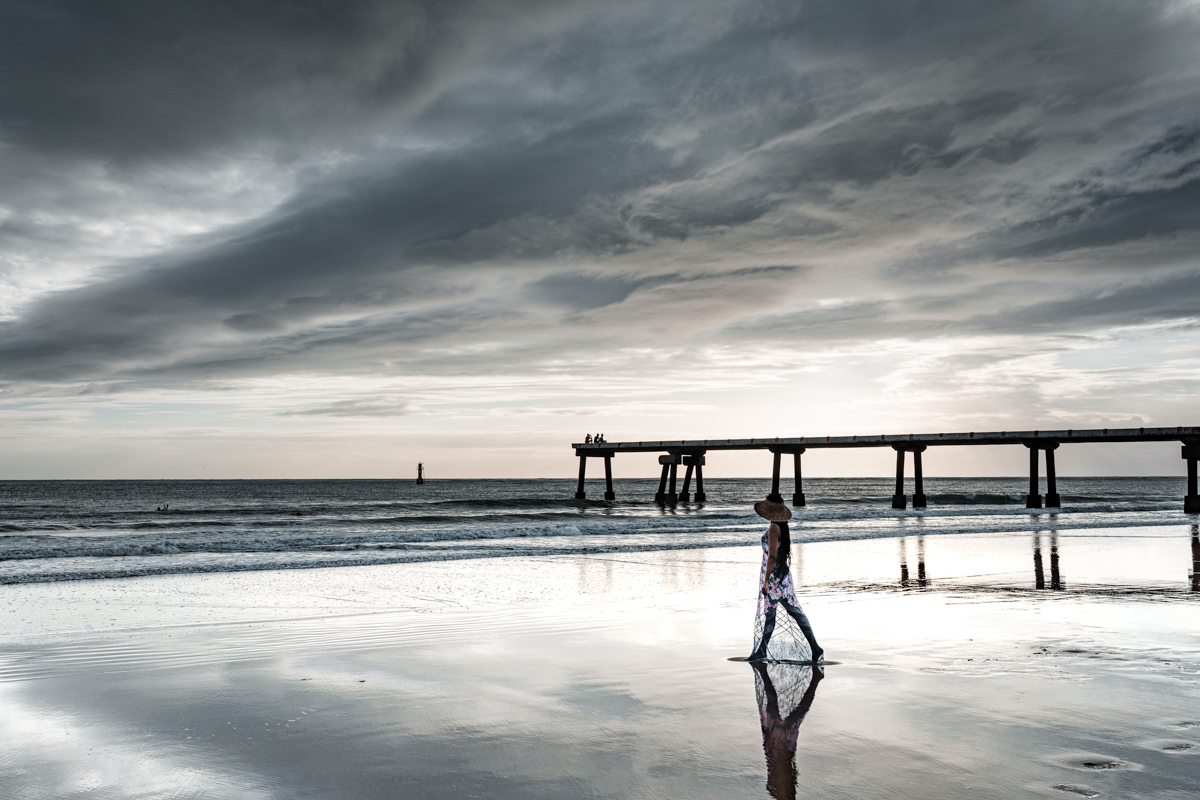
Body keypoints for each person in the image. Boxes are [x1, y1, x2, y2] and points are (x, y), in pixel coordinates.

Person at [749, 494, 823, 663]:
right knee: (790, 612)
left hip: (775, 577)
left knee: (773, 614)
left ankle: (762, 651)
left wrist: (766, 580)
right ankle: (814, 649)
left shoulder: (774, 528)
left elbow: (772, 557)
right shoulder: (782, 527)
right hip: (782, 575)